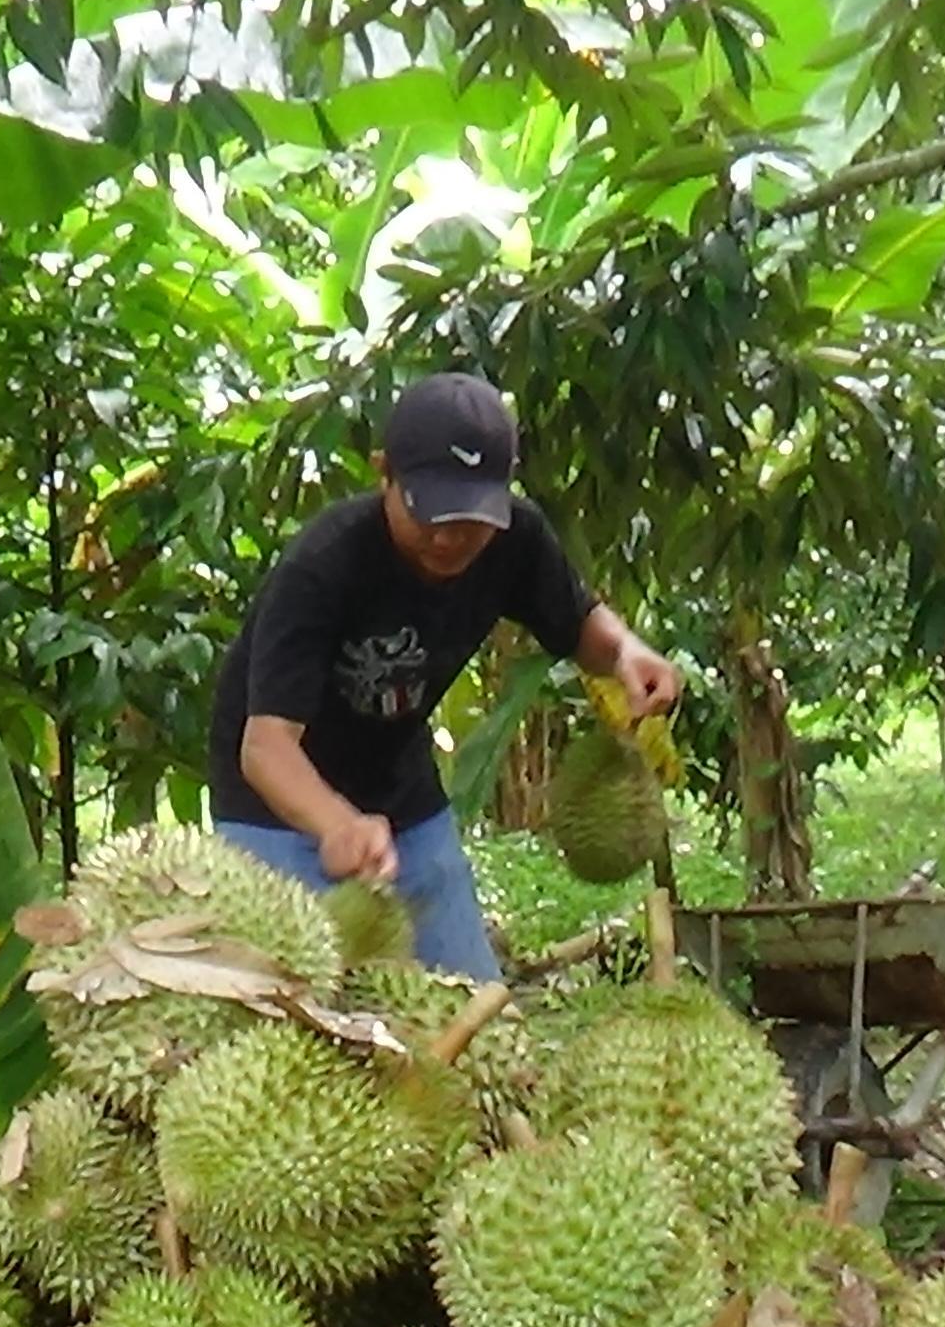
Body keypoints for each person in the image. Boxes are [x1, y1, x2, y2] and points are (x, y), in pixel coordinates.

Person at [207, 372, 683, 979]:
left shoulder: (516, 541)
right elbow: (265, 748)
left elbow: (578, 621)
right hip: (273, 809)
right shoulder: (325, 565)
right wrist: (338, 825)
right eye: (428, 511)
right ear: (384, 474)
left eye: (470, 517)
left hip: (401, 794)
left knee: (472, 1003)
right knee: (305, 1013)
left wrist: (624, 653)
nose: (450, 537)